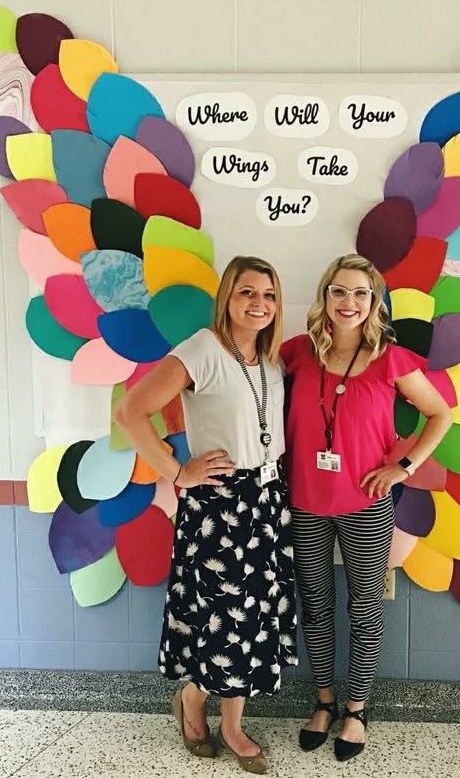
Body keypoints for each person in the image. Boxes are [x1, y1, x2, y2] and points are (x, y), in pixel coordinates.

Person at [115, 255, 297, 775]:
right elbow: (130, 411)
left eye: (268, 294)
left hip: (266, 502)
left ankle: (234, 725)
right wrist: (176, 471)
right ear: (227, 298)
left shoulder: (269, 359)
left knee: (255, 621)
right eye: (246, 292)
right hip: (220, 504)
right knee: (221, 621)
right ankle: (194, 698)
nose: (258, 303)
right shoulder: (203, 347)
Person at [281, 253, 453, 762]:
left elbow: (440, 413)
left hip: (366, 505)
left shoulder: (390, 358)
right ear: (325, 297)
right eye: (339, 291)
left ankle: (356, 709)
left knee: (364, 607)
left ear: (373, 301)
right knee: (314, 605)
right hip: (306, 503)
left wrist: (404, 467)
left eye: (360, 293)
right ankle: (323, 701)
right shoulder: (297, 352)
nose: (349, 302)